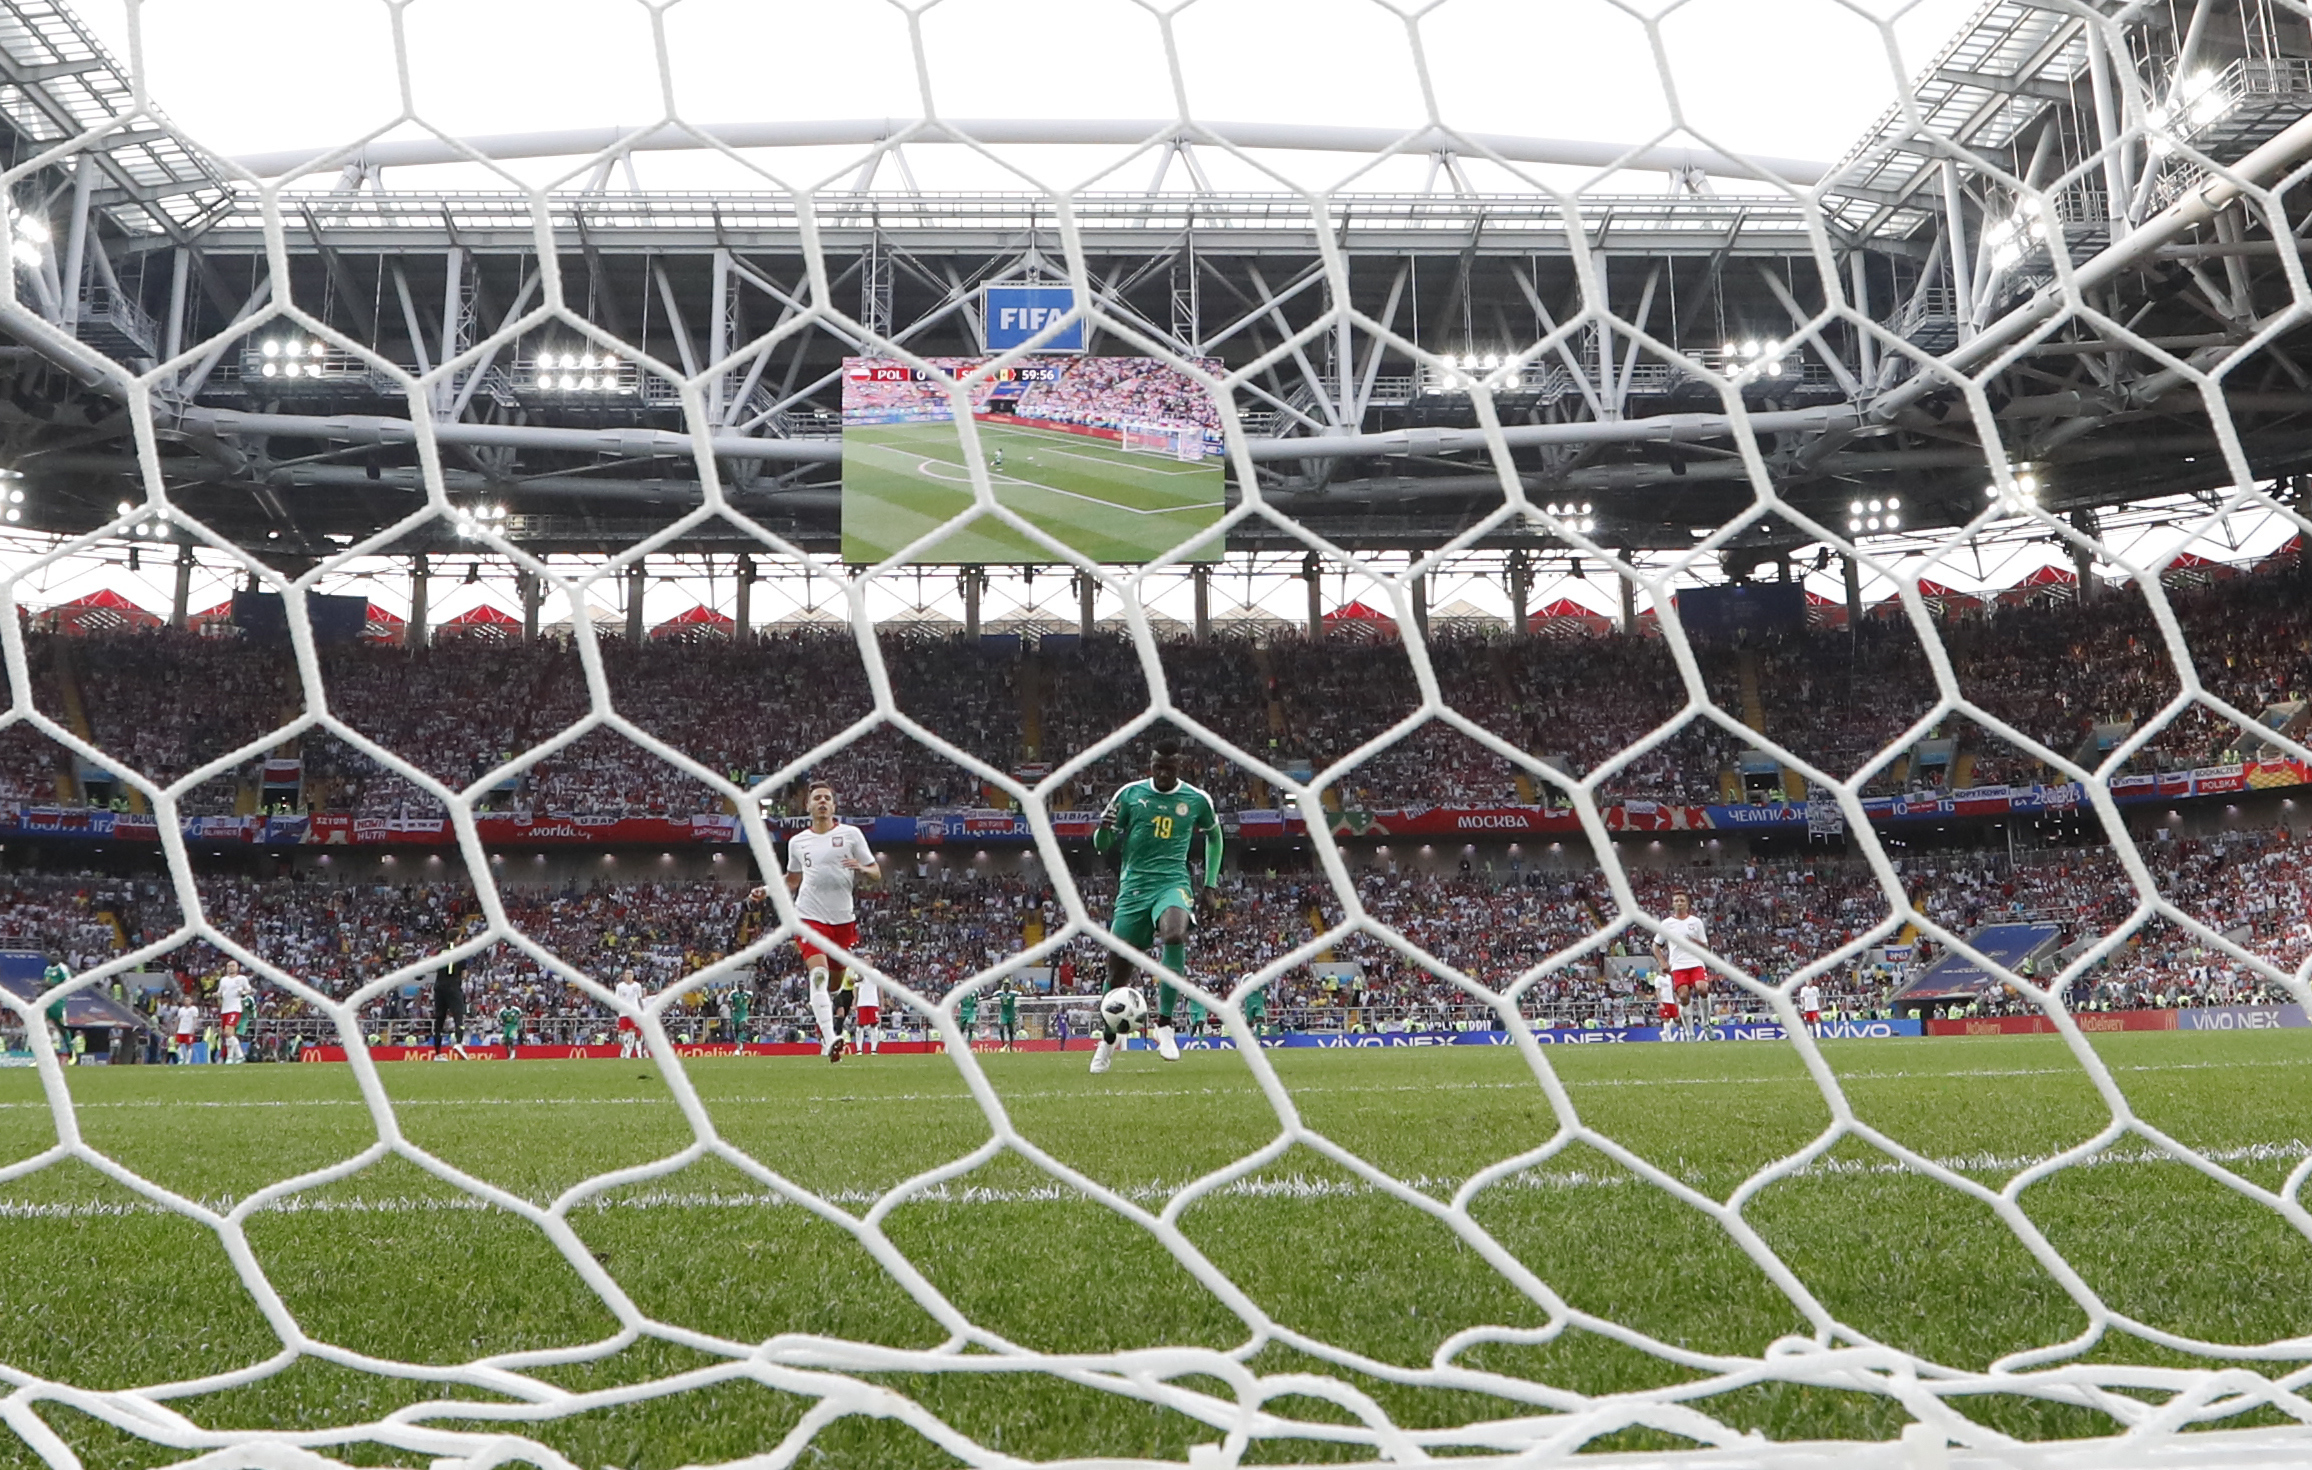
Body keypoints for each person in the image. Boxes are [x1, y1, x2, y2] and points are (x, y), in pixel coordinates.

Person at [1089, 739, 1221, 1074]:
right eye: (1157, 765)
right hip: (1134, 888)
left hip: (1172, 883)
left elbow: (1215, 837)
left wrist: (1209, 885)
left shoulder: (1196, 799)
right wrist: (1102, 830)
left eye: (1169, 766)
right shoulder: (1130, 795)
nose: (1162, 772)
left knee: (1174, 934)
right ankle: (1107, 1041)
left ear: (1180, 765)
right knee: (1117, 970)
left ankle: (1165, 1025)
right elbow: (1103, 846)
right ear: (1151, 763)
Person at [754, 781, 881, 1064]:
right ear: (808, 806)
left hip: (843, 921)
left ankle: (825, 1025)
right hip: (808, 916)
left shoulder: (851, 834)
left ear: (834, 806)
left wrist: (861, 867)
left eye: (827, 798)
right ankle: (831, 1036)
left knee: (834, 985)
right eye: (817, 798)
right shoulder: (798, 842)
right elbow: (792, 880)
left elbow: (876, 872)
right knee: (819, 975)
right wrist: (767, 889)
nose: (822, 802)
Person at [1651, 892, 1711, 1042]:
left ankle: (1706, 1023)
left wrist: (1695, 942)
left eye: (1682, 900)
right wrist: (1662, 962)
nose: (1679, 903)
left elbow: (1706, 947)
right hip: (1677, 965)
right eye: (1676, 900)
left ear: (1687, 904)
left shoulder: (1696, 922)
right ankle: (1690, 1033)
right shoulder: (1666, 924)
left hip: (1696, 962)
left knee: (1702, 989)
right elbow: (1656, 945)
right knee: (1684, 997)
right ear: (1672, 904)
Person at [431, 956, 470, 1060]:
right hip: (453, 987)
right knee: (458, 1016)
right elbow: (464, 975)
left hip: (439, 987)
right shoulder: (460, 953)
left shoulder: (439, 951)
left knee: (439, 1020)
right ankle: (458, 1042)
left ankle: (438, 1053)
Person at [215, 961, 252, 1065]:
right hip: (224, 1009)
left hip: (235, 1008)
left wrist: (243, 993)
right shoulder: (223, 980)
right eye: (228, 966)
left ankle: (230, 1057)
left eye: (233, 966)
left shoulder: (242, 979)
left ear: (237, 968)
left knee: (228, 1032)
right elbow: (220, 992)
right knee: (228, 1035)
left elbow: (249, 990)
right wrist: (216, 995)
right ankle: (239, 1056)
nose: (231, 968)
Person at [614, 969, 646, 1059]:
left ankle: (628, 1054)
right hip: (623, 1013)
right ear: (624, 975)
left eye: (631, 973)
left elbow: (639, 999)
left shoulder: (637, 985)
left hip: (634, 1013)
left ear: (633, 975)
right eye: (627, 973)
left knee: (632, 1035)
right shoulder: (620, 986)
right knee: (621, 1035)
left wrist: (642, 1011)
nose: (629, 975)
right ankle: (624, 1048)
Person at [854, 971, 882, 1055]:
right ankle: (859, 1050)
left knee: (874, 1026)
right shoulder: (859, 972)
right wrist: (854, 1001)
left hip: (873, 1003)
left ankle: (873, 1050)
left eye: (868, 959)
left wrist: (882, 1002)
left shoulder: (876, 973)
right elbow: (856, 987)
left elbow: (880, 988)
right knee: (859, 1027)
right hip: (861, 1003)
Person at [171, 997, 200, 1066]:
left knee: (189, 1045)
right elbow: (178, 1019)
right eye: (185, 1000)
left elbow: (195, 1019)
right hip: (181, 1030)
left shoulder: (194, 1009)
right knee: (177, 1044)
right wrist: (175, 1028)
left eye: (188, 1000)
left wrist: (193, 1029)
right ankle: (181, 1058)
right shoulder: (181, 1010)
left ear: (191, 1001)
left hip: (188, 1030)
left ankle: (187, 1060)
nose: (186, 1001)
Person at [1652, 970, 1679, 1039]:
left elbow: (1672, 989)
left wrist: (1675, 1000)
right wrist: (1660, 1002)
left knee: (1677, 1019)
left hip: (1671, 1001)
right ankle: (1669, 1037)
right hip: (1664, 1001)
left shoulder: (1669, 977)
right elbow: (1657, 991)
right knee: (1666, 1019)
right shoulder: (1658, 979)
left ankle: (1664, 1032)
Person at [998, 983, 1018, 1051]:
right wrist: (982, 999)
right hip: (1003, 1014)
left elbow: (1024, 995)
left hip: (1011, 1014)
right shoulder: (1000, 994)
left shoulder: (1012, 994)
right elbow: (991, 996)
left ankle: (1011, 1046)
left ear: (1009, 987)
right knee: (1001, 1027)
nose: (1005, 987)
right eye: (1004, 985)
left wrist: (1034, 995)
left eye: (1007, 985)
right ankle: (1003, 1043)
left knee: (1010, 1030)